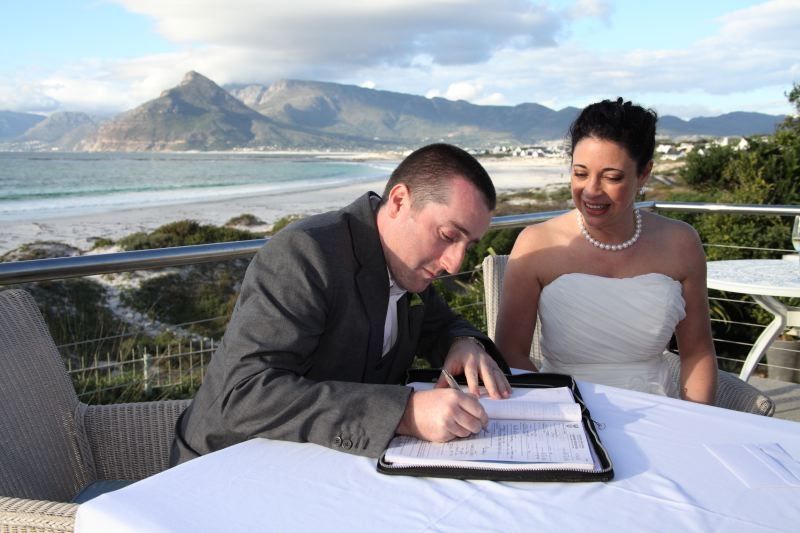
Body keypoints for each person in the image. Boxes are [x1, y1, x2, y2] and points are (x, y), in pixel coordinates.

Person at [171, 143, 512, 465]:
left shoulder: (411, 266)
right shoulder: (306, 255)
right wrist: (405, 414)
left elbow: (441, 324)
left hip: (326, 466)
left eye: (467, 245)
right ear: (398, 201)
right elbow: (244, 395)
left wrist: (462, 343)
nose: (454, 263)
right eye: (448, 236)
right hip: (227, 467)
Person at [495, 98, 717, 403]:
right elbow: (510, 351)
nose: (591, 190)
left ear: (644, 174)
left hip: (657, 410)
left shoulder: (680, 242)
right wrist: (561, 408)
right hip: (566, 409)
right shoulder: (537, 242)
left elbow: (698, 352)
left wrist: (697, 420)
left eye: (612, 177)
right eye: (580, 173)